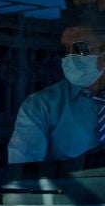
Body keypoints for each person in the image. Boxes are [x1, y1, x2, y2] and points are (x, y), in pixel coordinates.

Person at [8, 14, 105, 165]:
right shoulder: (41, 106)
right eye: (64, 50)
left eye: (80, 48)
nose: (70, 56)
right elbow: (22, 169)